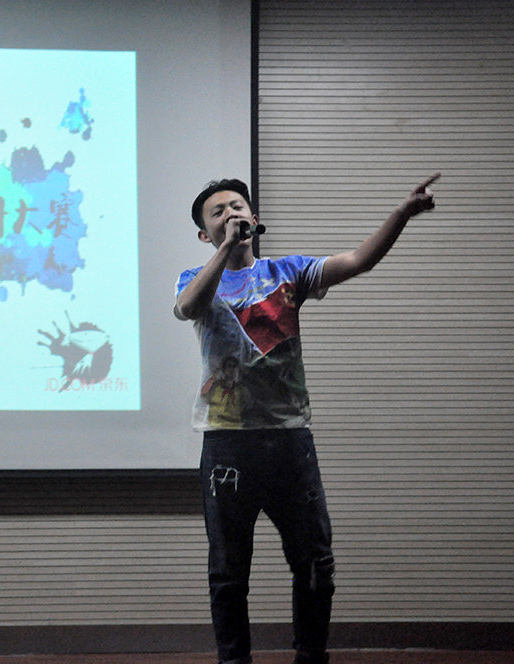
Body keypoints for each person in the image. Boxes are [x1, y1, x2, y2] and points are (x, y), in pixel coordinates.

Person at [173, 174, 439, 664]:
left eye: (238, 207)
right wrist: (225, 250)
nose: (231, 214)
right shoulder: (196, 277)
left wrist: (401, 214)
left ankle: (311, 656)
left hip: (289, 440)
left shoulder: (289, 272)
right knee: (228, 573)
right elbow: (187, 308)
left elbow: (358, 261)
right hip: (227, 445)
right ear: (204, 233)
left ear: (255, 218)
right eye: (218, 212)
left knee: (315, 562)